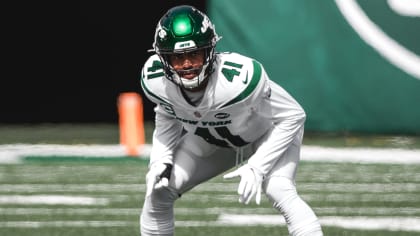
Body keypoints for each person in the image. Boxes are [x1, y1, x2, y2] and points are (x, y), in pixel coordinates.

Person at [139, 5, 323, 236]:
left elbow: (293, 116)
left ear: (209, 51)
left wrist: (258, 166)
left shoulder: (239, 80)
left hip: (265, 135)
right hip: (214, 143)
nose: (186, 64)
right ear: (163, 58)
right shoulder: (155, 81)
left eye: (194, 54)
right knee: (158, 192)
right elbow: (167, 112)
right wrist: (160, 160)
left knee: (279, 189)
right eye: (177, 57)